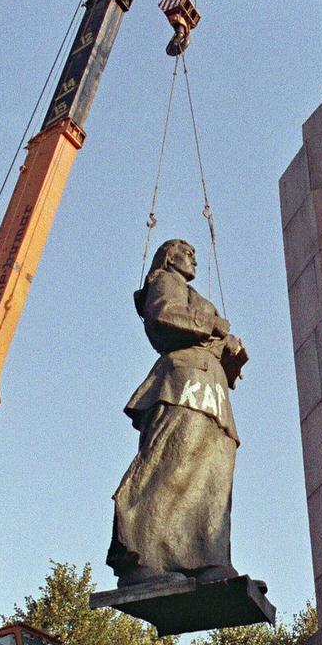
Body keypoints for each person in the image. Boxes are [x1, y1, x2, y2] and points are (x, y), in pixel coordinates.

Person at [106, 238, 247, 587]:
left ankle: (208, 559)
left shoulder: (189, 290)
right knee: (172, 463)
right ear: (169, 258)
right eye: (187, 253)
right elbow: (163, 316)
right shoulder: (165, 280)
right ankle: (141, 556)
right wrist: (211, 324)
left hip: (211, 388)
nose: (194, 259)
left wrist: (228, 346)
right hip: (184, 380)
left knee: (213, 475)